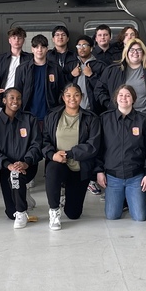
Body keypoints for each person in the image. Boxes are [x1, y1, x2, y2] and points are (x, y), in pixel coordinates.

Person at [42, 85, 102, 230]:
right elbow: (44, 140)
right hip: (58, 163)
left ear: (81, 96)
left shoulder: (91, 118)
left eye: (76, 95)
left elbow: (93, 145)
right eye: (68, 95)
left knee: (73, 214)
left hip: (79, 169)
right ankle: (54, 210)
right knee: (52, 170)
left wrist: (69, 154)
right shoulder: (52, 116)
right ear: (63, 97)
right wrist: (52, 154)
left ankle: (66, 197)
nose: (72, 99)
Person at [96, 85, 146, 221]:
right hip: (113, 177)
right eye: (121, 95)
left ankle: (135, 200)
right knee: (112, 216)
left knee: (140, 217)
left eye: (128, 95)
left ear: (133, 99)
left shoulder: (144, 120)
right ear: (116, 98)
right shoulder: (105, 119)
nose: (124, 98)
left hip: (136, 177)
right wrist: (99, 171)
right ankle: (125, 200)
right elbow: (99, 148)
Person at [0, 88, 42, 228]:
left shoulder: (30, 119)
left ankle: (22, 212)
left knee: (17, 178)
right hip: (6, 169)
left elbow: (37, 144)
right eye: (11, 98)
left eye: (18, 98)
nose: (15, 101)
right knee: (11, 213)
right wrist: (8, 165)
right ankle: (23, 196)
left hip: (28, 166)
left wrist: (25, 162)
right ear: (4, 100)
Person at [96, 37, 146, 116]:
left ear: (144, 52)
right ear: (126, 52)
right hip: (121, 118)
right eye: (132, 49)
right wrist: (110, 104)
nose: (135, 52)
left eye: (139, 50)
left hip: (145, 117)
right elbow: (99, 89)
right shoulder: (113, 70)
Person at [16, 34, 54, 122]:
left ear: (47, 49)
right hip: (28, 116)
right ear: (32, 49)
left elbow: (60, 92)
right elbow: (17, 92)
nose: (39, 50)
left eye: (43, 47)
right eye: (36, 47)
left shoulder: (55, 69)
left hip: (50, 116)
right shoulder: (22, 69)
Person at [0, 26, 32, 110]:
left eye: (19, 38)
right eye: (14, 38)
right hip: (4, 97)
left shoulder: (29, 58)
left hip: (22, 98)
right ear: (9, 40)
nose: (17, 40)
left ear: (23, 41)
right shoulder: (0, 59)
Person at [72, 34, 106, 111]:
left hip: (93, 110)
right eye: (79, 46)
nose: (81, 48)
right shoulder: (72, 64)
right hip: (75, 110)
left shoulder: (100, 66)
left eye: (84, 45)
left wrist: (91, 75)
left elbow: (104, 87)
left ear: (91, 48)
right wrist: (71, 75)